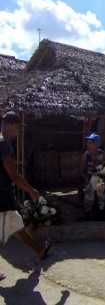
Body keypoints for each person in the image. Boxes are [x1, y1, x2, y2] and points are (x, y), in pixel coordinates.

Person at [0, 111, 51, 273]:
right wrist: (31, 191)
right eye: (17, 128)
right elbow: (14, 175)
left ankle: (39, 250)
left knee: (18, 226)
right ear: (12, 126)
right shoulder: (4, 145)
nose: (18, 131)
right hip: (1, 198)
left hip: (6, 198)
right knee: (0, 238)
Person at [80, 133, 105, 217]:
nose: (88, 145)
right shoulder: (85, 155)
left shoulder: (103, 155)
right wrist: (88, 179)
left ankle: (101, 213)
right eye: (88, 143)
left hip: (100, 180)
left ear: (97, 144)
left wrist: (103, 177)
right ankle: (87, 214)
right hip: (89, 179)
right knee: (88, 196)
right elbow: (82, 171)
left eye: (91, 143)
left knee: (101, 196)